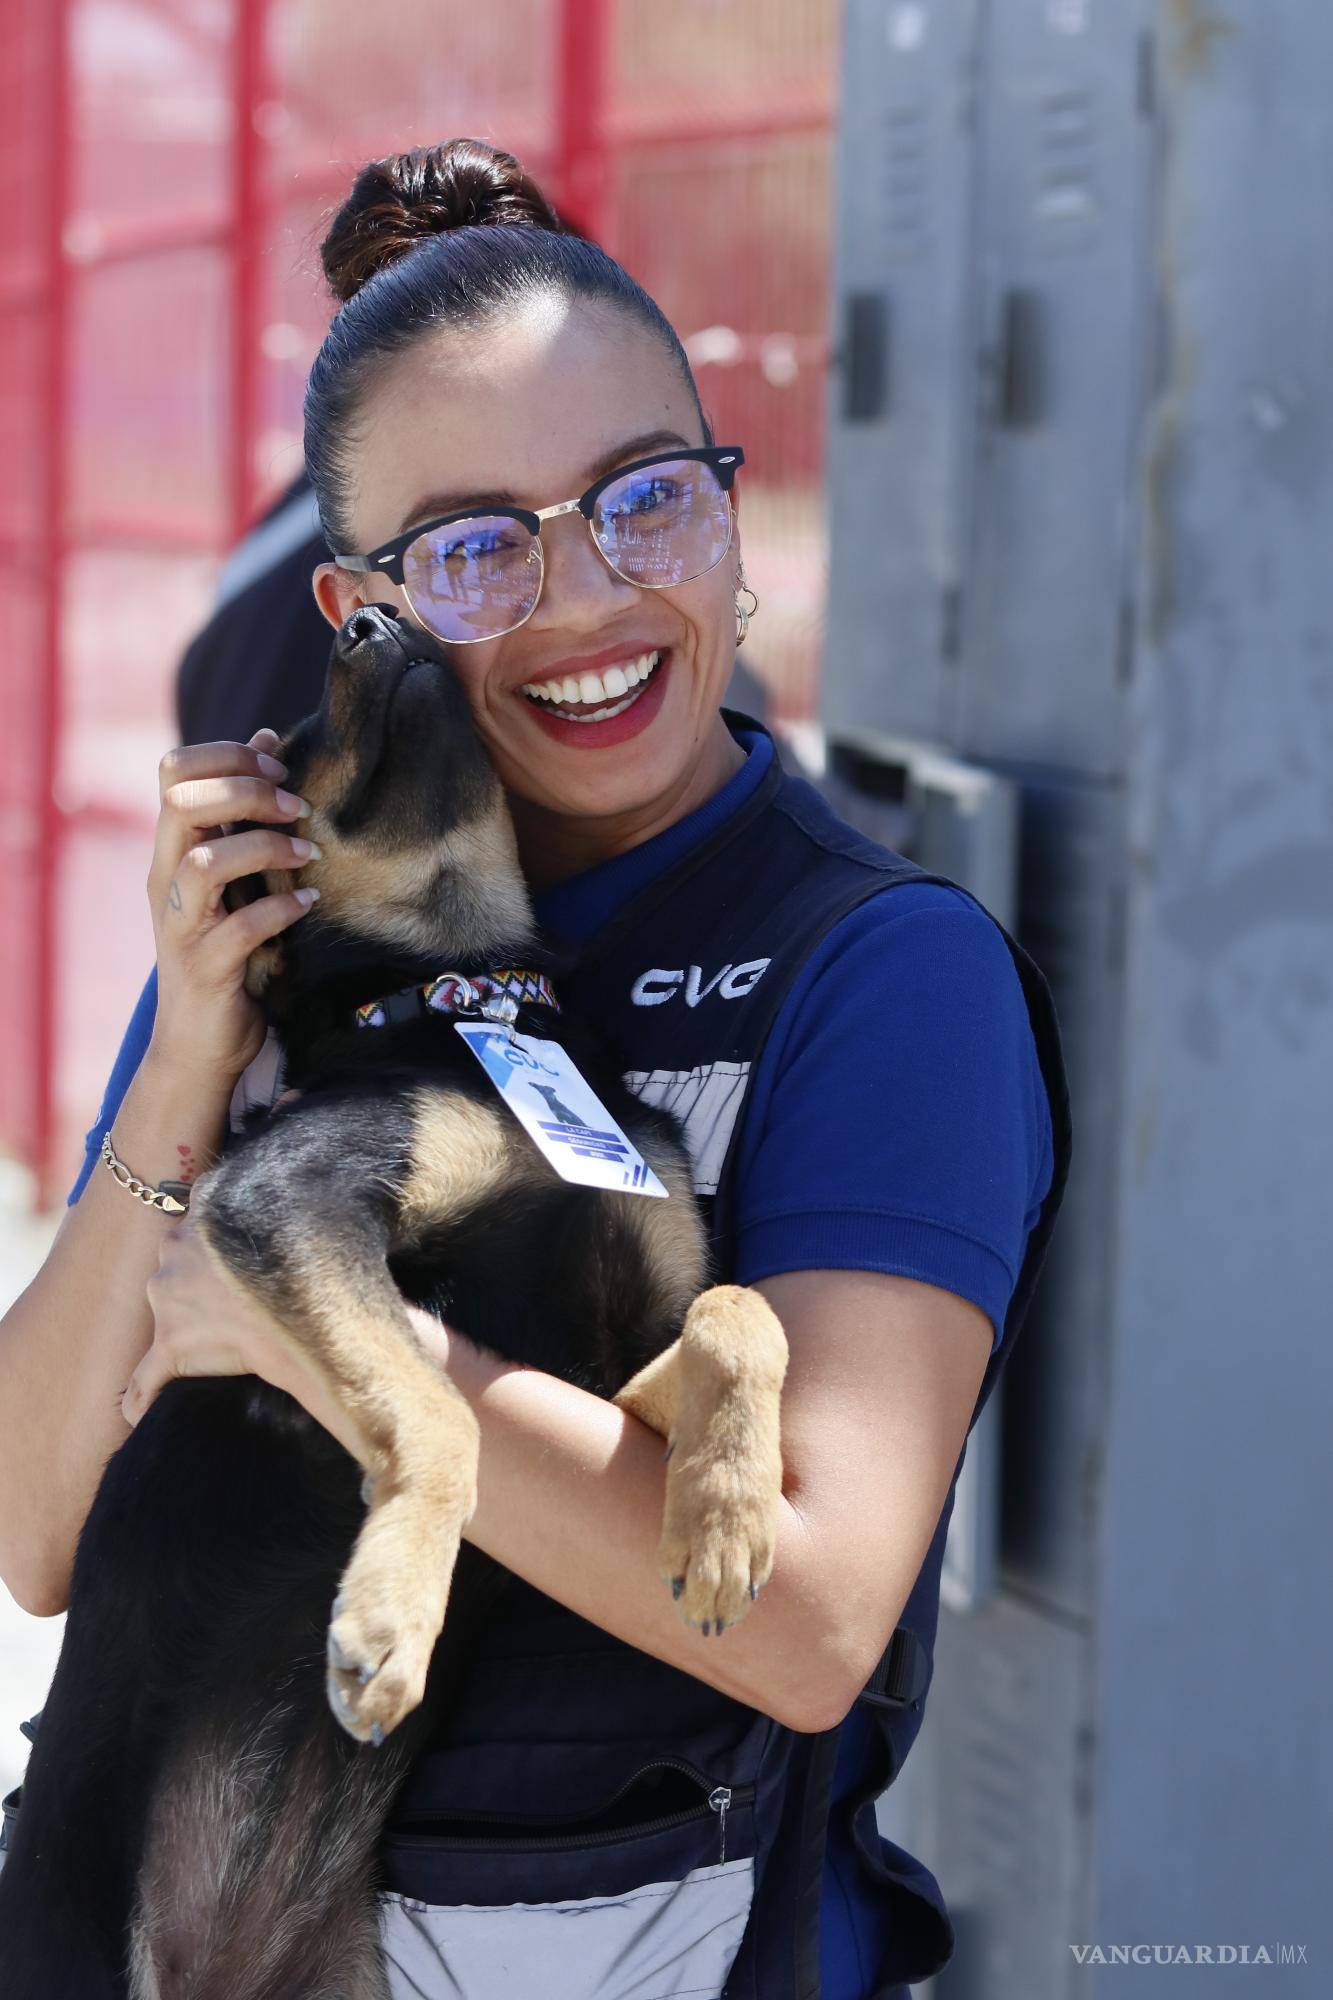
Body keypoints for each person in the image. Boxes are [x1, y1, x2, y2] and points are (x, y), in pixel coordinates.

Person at [0, 138, 1070, 1997]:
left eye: (643, 500)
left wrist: (337, 1350)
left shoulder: (882, 972)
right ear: (367, 611)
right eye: (480, 547)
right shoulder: (286, 924)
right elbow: (32, 1530)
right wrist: (186, 1067)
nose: (582, 599)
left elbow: (807, 1623)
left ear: (731, 513)